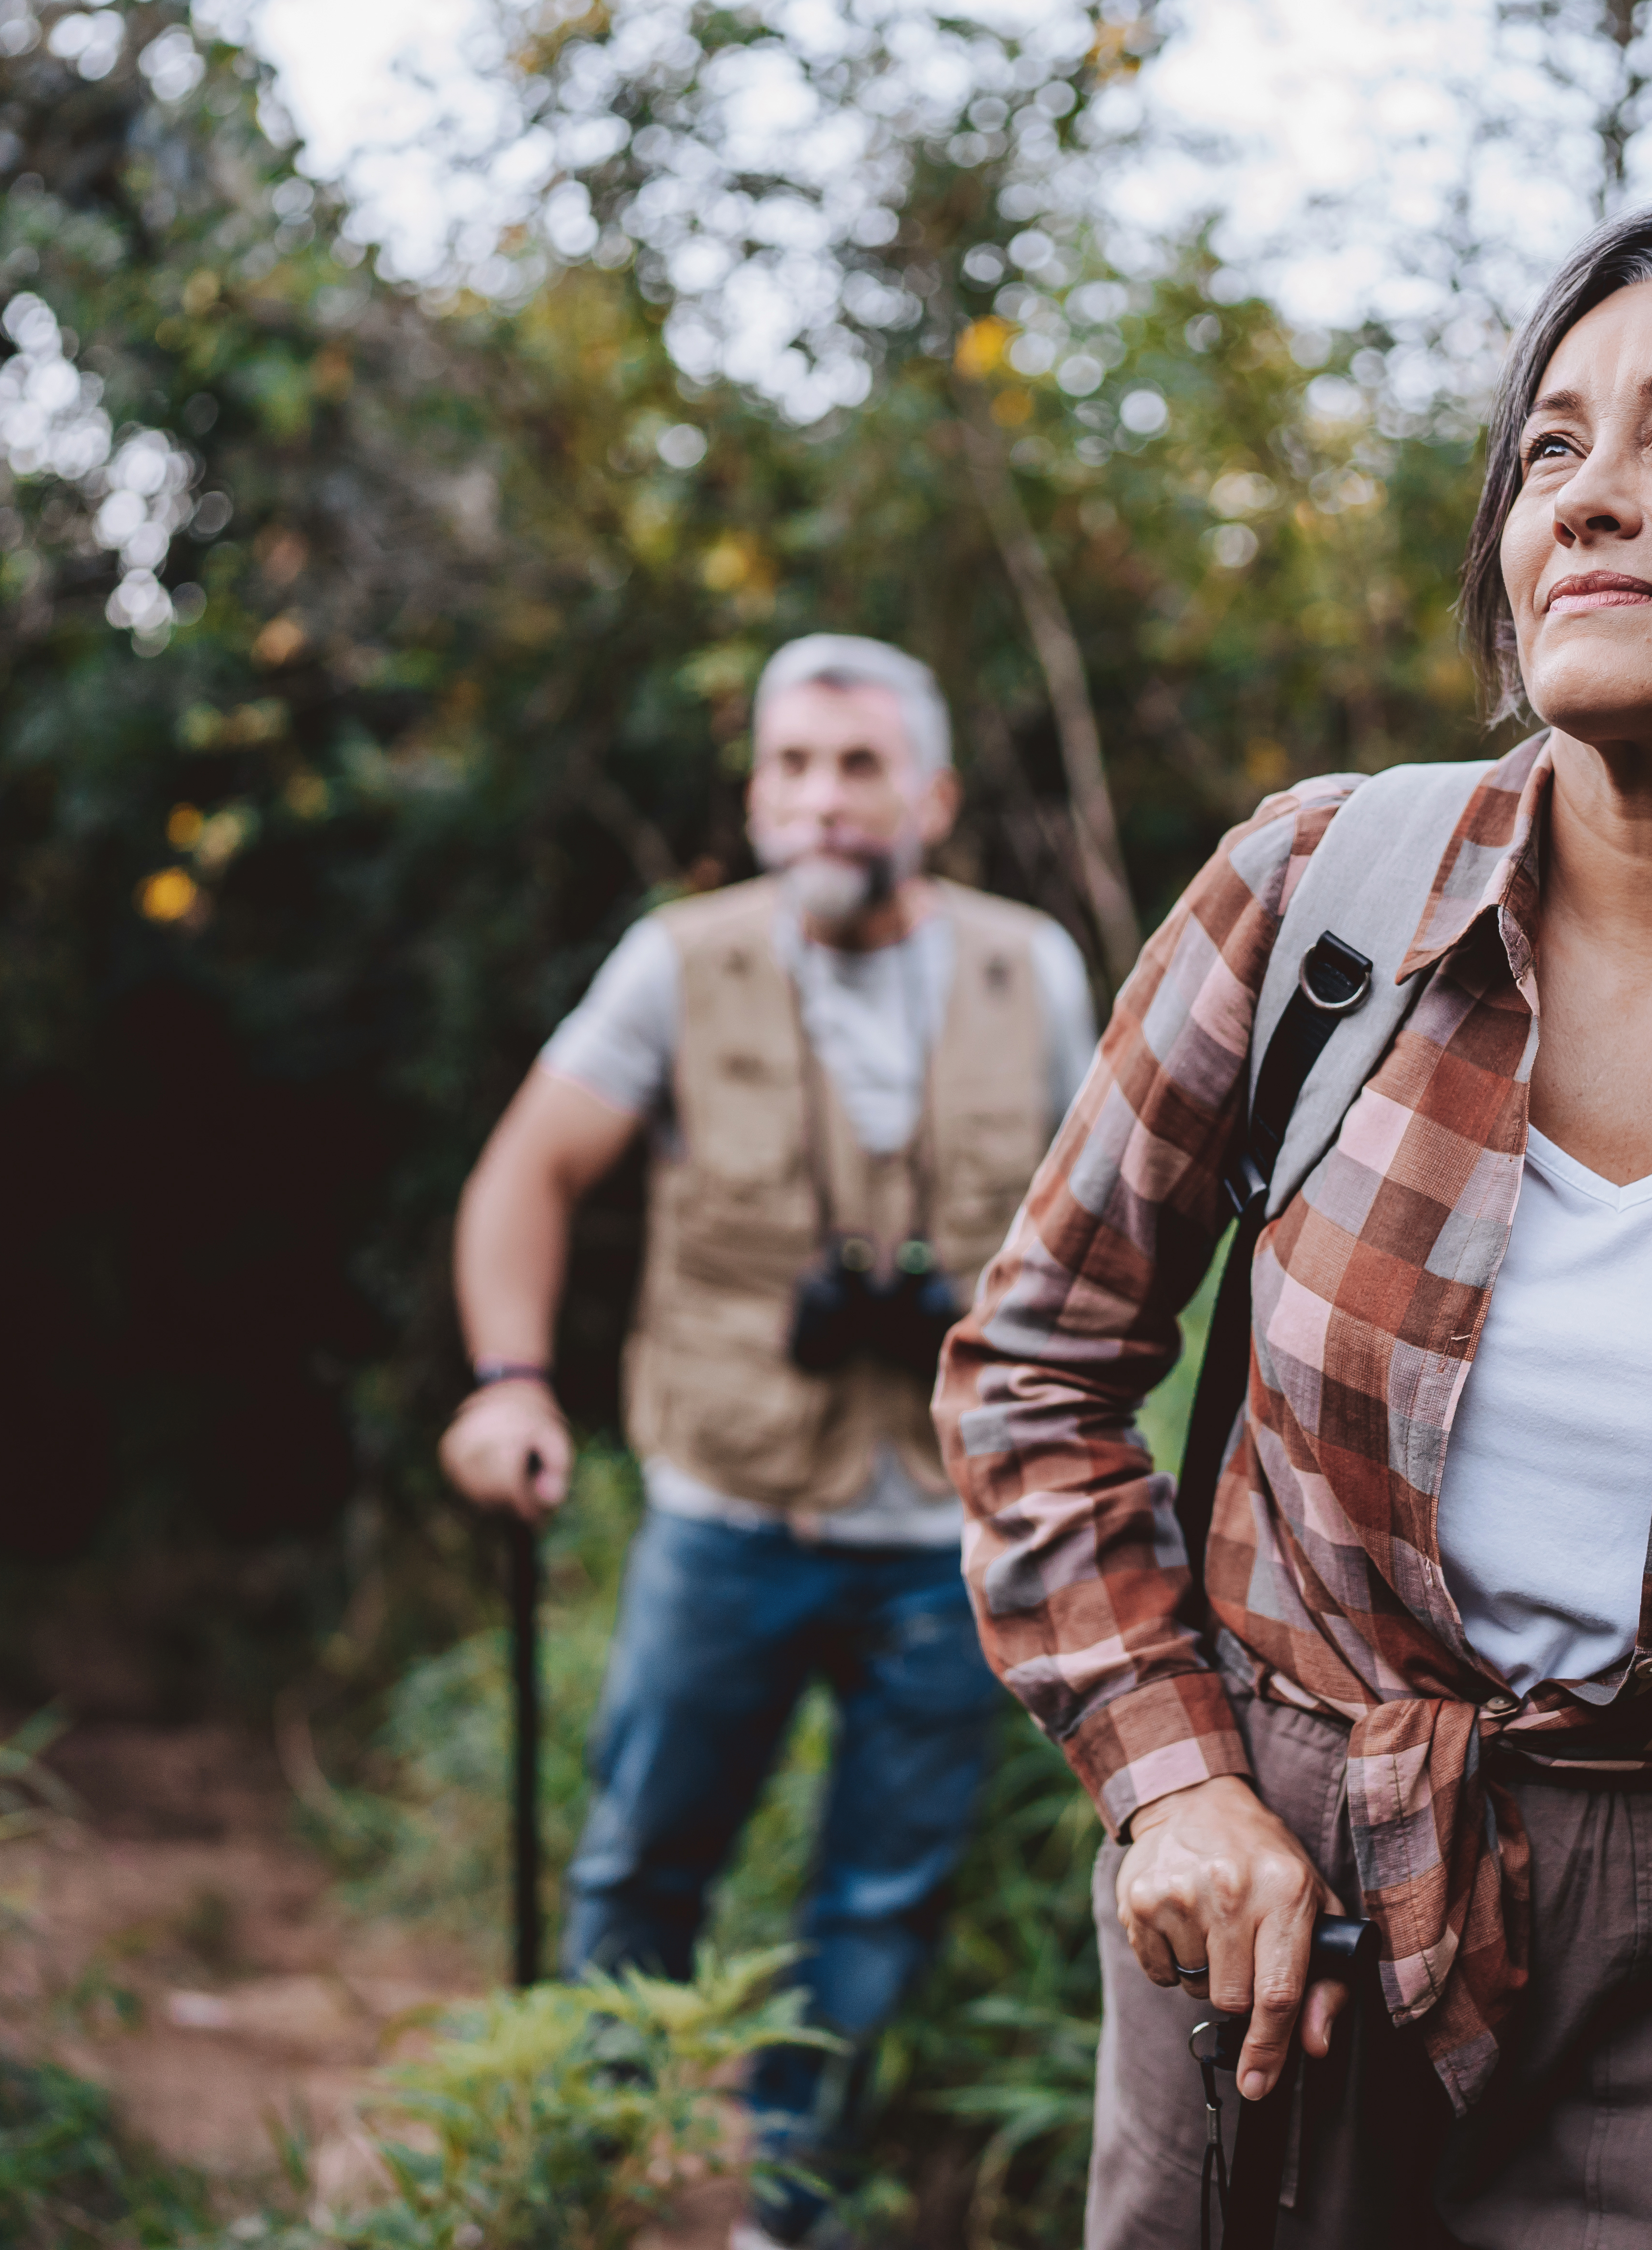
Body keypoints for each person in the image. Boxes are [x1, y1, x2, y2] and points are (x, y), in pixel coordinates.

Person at [937, 203, 1652, 2250]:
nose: (1590, 501)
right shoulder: (1319, 896)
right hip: (1277, 1909)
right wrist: (1175, 1776)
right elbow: (1038, 1365)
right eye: (1551, 451)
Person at [443, 632, 1097, 2250]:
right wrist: (511, 1379)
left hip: (952, 1539)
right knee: (641, 1868)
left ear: (931, 796)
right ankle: (583, 2179)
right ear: (755, 795)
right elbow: (524, 1175)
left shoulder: (1038, 971)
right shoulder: (682, 961)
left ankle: (782, 2222)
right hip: (726, 1512)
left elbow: (1103, 1236)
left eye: (859, 766)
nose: (822, 800)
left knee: (878, 1910)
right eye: (792, 768)